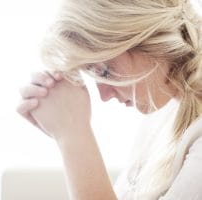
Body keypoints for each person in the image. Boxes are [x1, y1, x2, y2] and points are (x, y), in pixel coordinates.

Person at [17, 0, 202, 199]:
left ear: (153, 43)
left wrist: (73, 135)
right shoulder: (161, 115)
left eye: (105, 71)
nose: (104, 96)